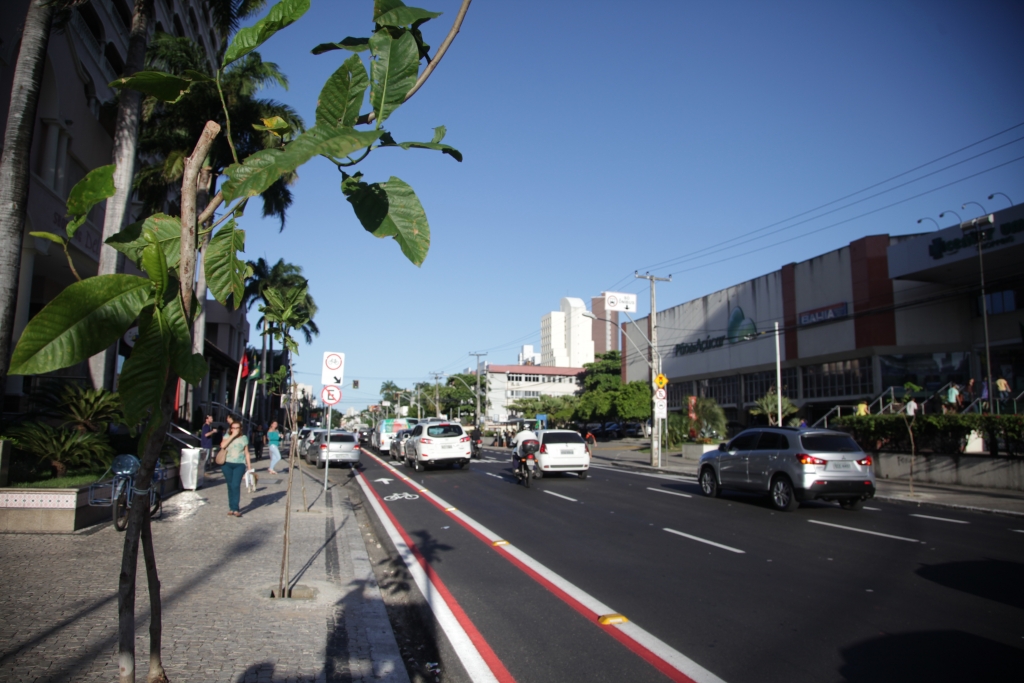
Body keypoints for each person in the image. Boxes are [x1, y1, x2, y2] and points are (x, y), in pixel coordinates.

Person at [218, 421, 252, 517]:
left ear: (240, 429)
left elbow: (246, 453)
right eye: (233, 428)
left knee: (235, 485)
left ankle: (236, 509)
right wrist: (232, 436)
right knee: (230, 485)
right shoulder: (226, 436)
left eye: (237, 428)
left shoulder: (244, 438)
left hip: (239, 464)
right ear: (231, 428)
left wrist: (249, 467)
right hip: (227, 464)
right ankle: (231, 508)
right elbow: (222, 445)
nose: (235, 429)